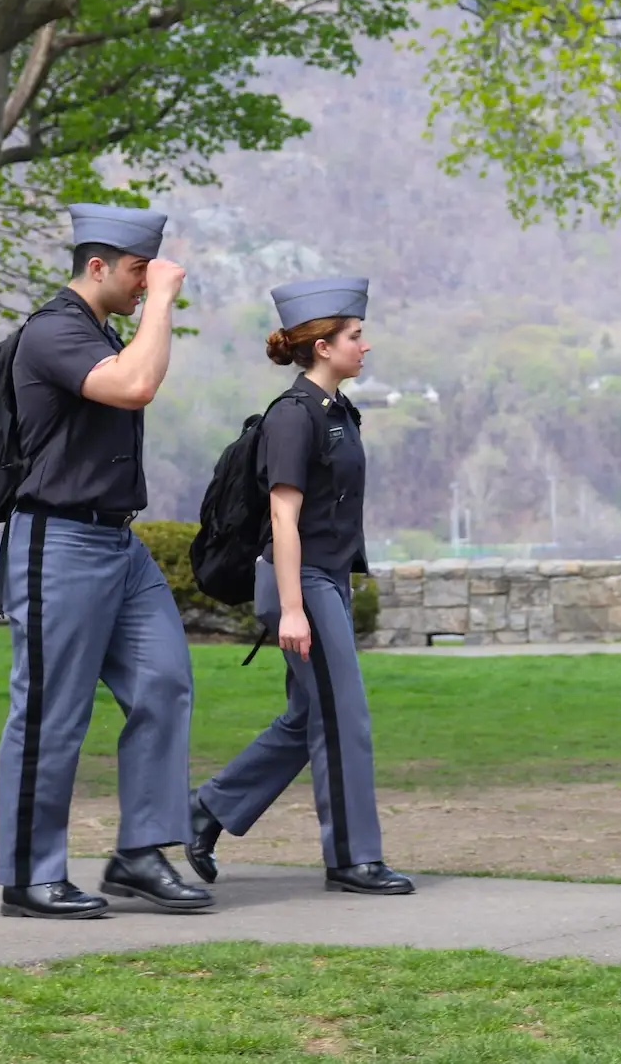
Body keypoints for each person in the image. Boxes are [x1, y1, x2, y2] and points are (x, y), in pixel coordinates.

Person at [0, 204, 211, 919]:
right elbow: (134, 385)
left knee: (165, 682)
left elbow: (136, 373)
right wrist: (168, 299)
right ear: (98, 266)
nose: (146, 284)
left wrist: (151, 305)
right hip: (57, 541)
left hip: (118, 542)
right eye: (137, 271)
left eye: (151, 274)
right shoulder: (55, 329)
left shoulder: (101, 331)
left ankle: (140, 852)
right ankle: (30, 874)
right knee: (52, 711)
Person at [184, 277, 415, 896]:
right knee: (345, 719)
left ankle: (202, 811)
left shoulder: (338, 412)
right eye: (355, 336)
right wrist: (292, 609)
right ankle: (353, 859)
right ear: (322, 347)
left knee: (305, 718)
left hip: (324, 582)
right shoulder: (294, 417)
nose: (365, 346)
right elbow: (283, 517)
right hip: (299, 585)